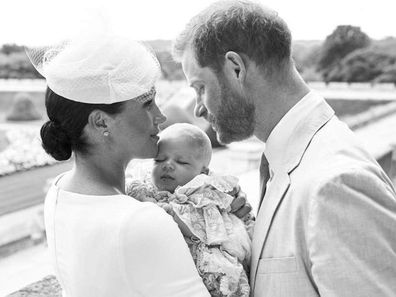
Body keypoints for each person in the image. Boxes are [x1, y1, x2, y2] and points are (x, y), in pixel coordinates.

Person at [173, 1, 396, 296]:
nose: (198, 109)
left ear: (235, 68)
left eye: (200, 87)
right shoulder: (287, 162)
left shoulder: (336, 184)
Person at [29, 35, 213, 296]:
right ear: (101, 122)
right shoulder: (141, 220)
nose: (160, 116)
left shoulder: (59, 192)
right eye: (148, 104)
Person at [126, 123, 253, 296]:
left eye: (181, 162)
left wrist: (164, 210)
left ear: (203, 172)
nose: (168, 165)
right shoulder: (144, 186)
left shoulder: (204, 195)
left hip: (203, 272)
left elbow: (199, 228)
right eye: (159, 159)